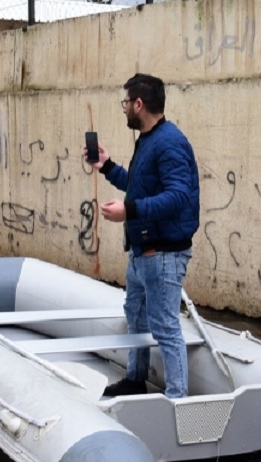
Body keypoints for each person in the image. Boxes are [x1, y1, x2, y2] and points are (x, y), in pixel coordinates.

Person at [83, 73, 201, 399]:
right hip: (141, 252)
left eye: (125, 103)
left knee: (165, 325)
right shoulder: (148, 140)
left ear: (139, 104)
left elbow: (178, 197)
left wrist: (129, 211)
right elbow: (138, 186)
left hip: (163, 255)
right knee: (135, 317)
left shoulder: (170, 143)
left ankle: (177, 399)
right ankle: (135, 378)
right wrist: (107, 167)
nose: (123, 110)